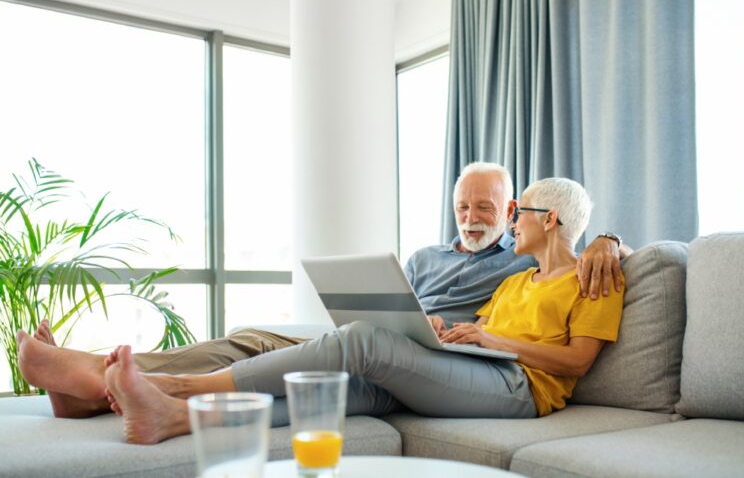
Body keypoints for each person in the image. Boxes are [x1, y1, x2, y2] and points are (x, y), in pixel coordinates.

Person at [17, 163, 629, 422]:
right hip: (428, 348)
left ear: (526, 216)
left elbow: (575, 344)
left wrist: (608, 238)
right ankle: (121, 403)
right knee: (259, 343)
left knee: (316, 352)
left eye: (497, 208)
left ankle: (132, 380)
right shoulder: (472, 267)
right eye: (464, 205)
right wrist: (448, 330)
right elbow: (444, 321)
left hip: (484, 375)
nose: (481, 215)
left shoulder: (526, 264)